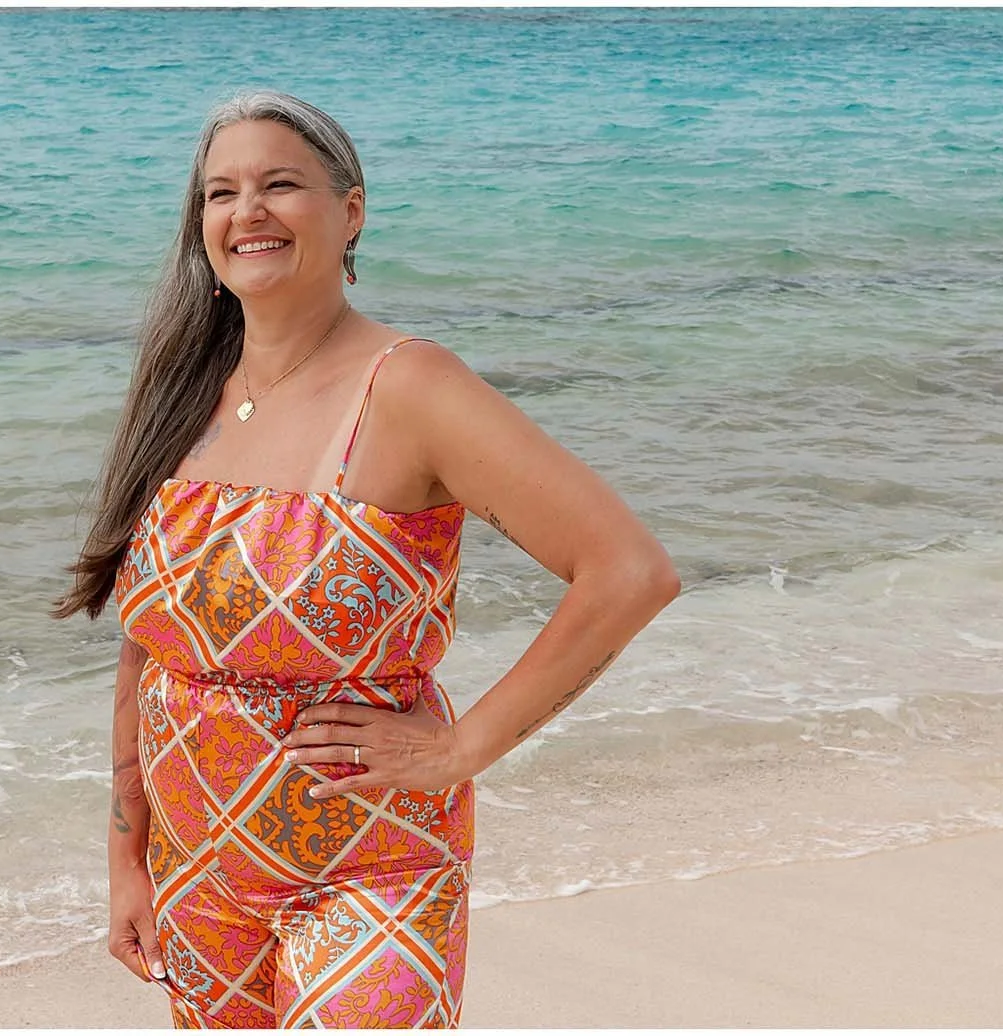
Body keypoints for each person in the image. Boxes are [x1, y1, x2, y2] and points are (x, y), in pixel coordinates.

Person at [53, 89, 680, 1028]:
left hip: (370, 871)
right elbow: (151, 642)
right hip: (198, 883)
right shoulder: (183, 394)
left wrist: (464, 748)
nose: (247, 211)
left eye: (280, 184)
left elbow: (628, 571)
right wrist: (125, 859)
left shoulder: (410, 386)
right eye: (221, 192)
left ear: (350, 212)